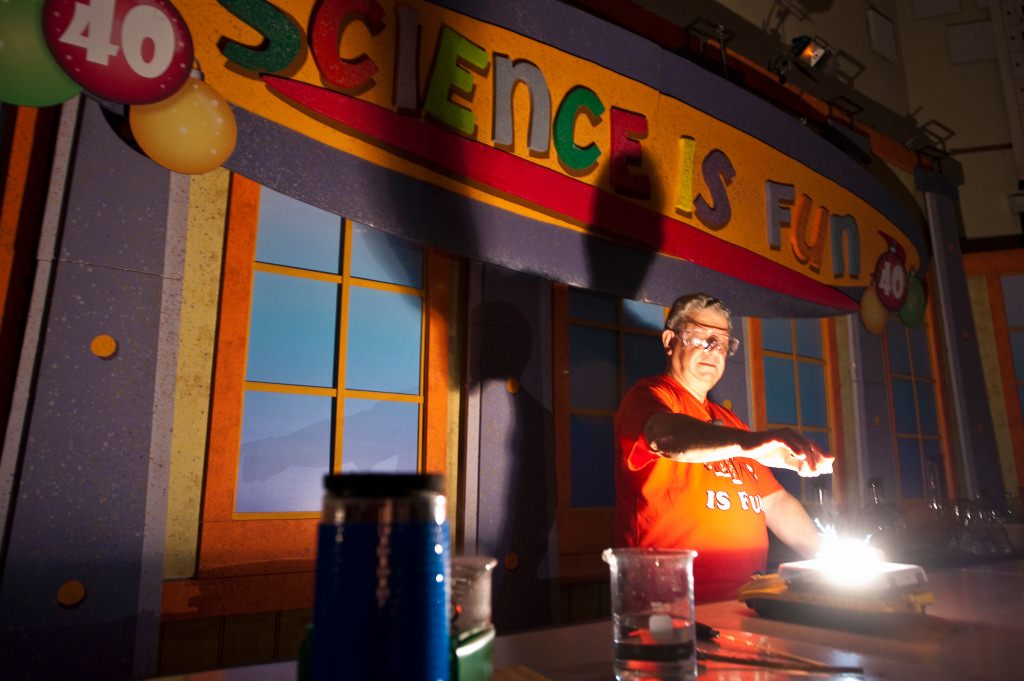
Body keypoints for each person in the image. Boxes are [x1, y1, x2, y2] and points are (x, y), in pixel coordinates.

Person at [614, 293, 834, 602]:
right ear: (669, 340)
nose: (712, 351)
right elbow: (665, 437)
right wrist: (749, 443)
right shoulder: (649, 396)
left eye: (721, 343)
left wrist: (830, 556)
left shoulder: (730, 421)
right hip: (670, 609)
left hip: (748, 602)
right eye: (699, 337)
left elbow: (774, 502)